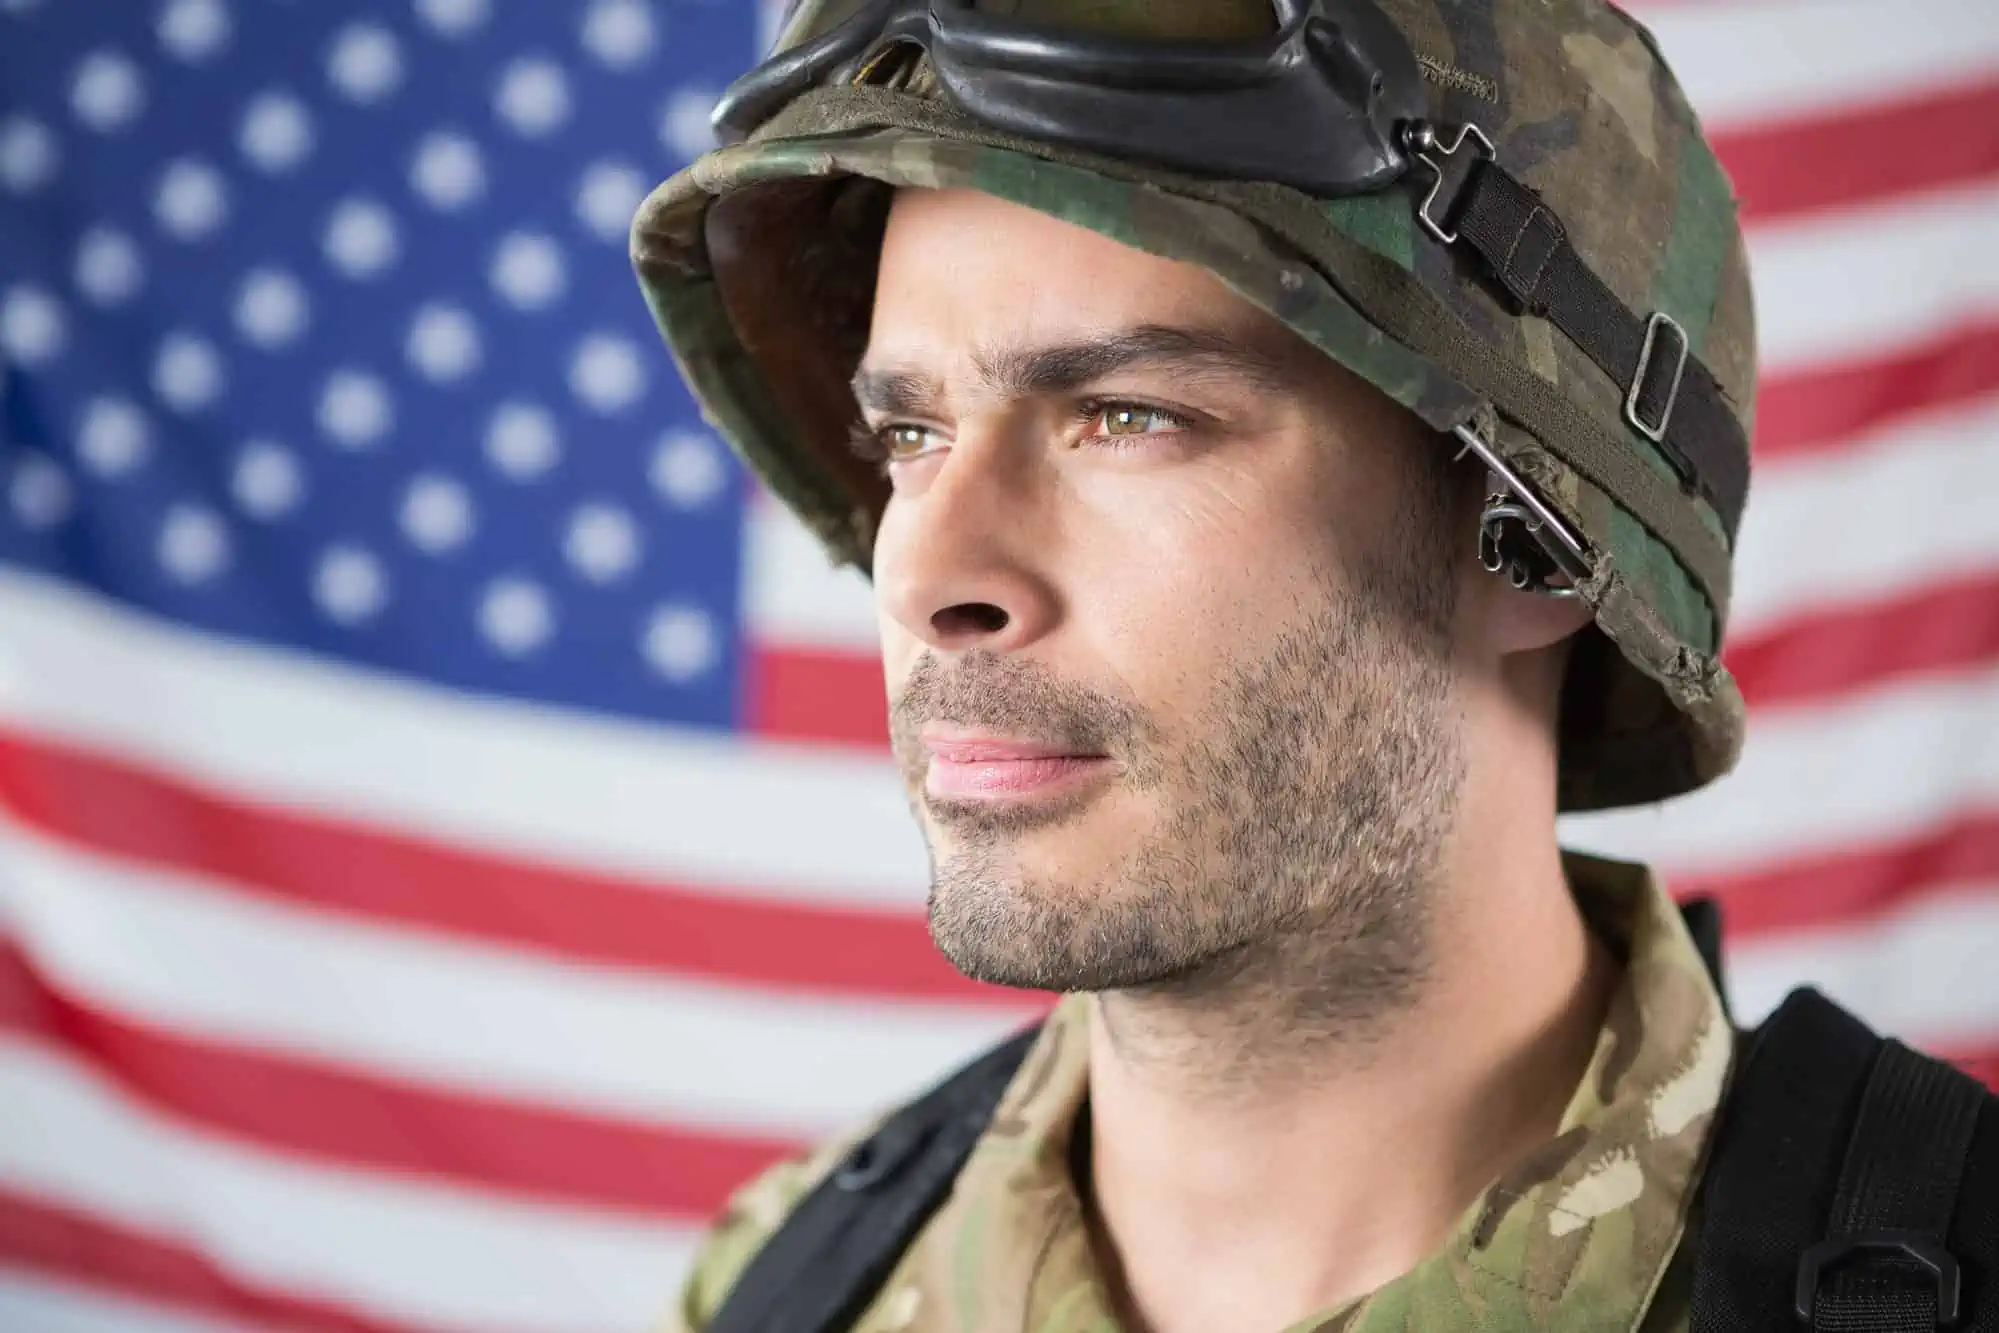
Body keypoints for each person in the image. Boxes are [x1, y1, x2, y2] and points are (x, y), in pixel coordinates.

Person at [630, 2, 1999, 1330]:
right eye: (910, 437)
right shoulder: (788, 1284)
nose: (926, 577)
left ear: (1530, 535)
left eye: (1127, 417)